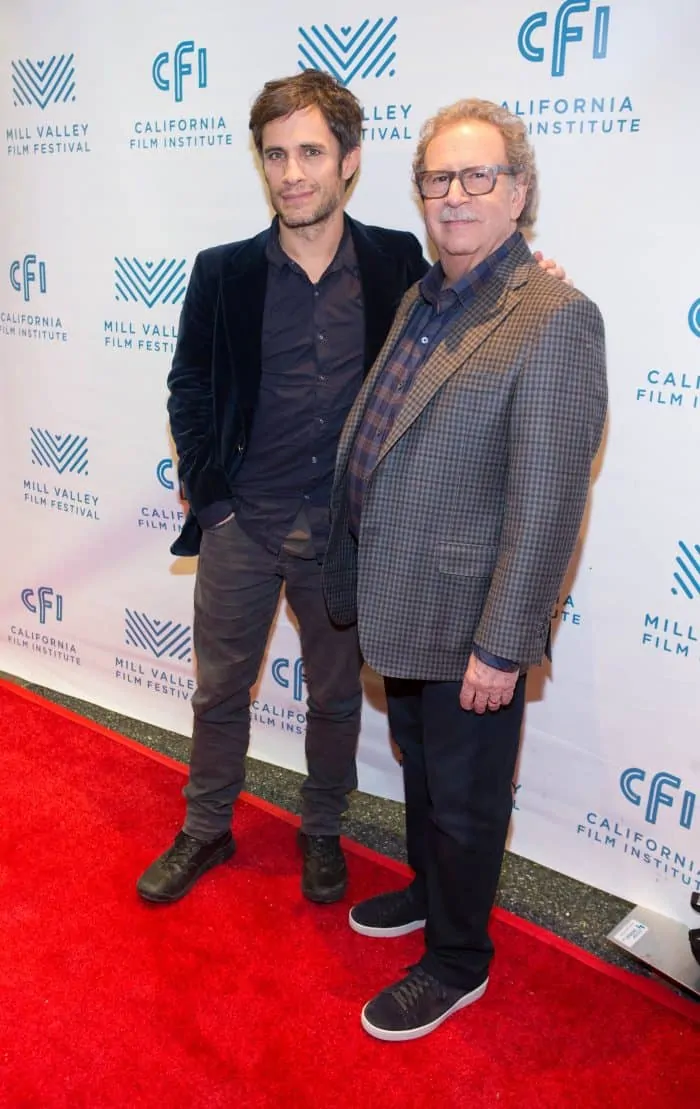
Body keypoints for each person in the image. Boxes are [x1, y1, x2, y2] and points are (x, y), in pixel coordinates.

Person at [136, 72, 568, 910]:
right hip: (242, 526)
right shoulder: (222, 272)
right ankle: (206, 825)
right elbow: (188, 386)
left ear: (350, 160)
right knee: (220, 688)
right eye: (275, 155)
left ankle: (323, 830)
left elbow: (481, 299)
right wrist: (211, 494)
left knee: (335, 699)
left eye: (310, 152)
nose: (292, 172)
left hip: (346, 536)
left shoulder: (397, 261)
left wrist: (536, 273)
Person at [322, 97, 607, 1041]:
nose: (455, 195)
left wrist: (504, 644)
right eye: (438, 178)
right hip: (400, 598)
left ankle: (458, 958)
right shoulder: (428, 293)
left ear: (518, 191)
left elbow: (549, 504)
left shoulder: (555, 317)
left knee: (468, 797)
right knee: (426, 779)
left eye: (478, 175)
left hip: (470, 621)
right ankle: (431, 895)